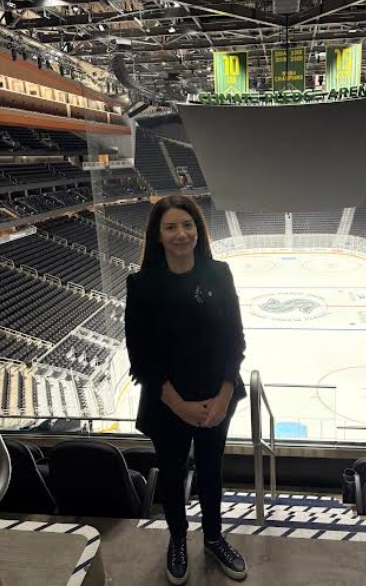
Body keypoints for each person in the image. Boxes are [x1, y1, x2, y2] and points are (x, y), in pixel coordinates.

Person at [124, 196, 248, 585]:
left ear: (198, 229)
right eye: (171, 227)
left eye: (188, 225)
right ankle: (177, 539)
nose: (181, 234)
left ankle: (213, 537)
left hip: (216, 399)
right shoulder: (142, 284)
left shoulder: (219, 274)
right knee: (173, 474)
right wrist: (178, 405)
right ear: (158, 236)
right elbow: (140, 354)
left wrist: (225, 395)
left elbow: (235, 339)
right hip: (168, 403)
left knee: (212, 471)